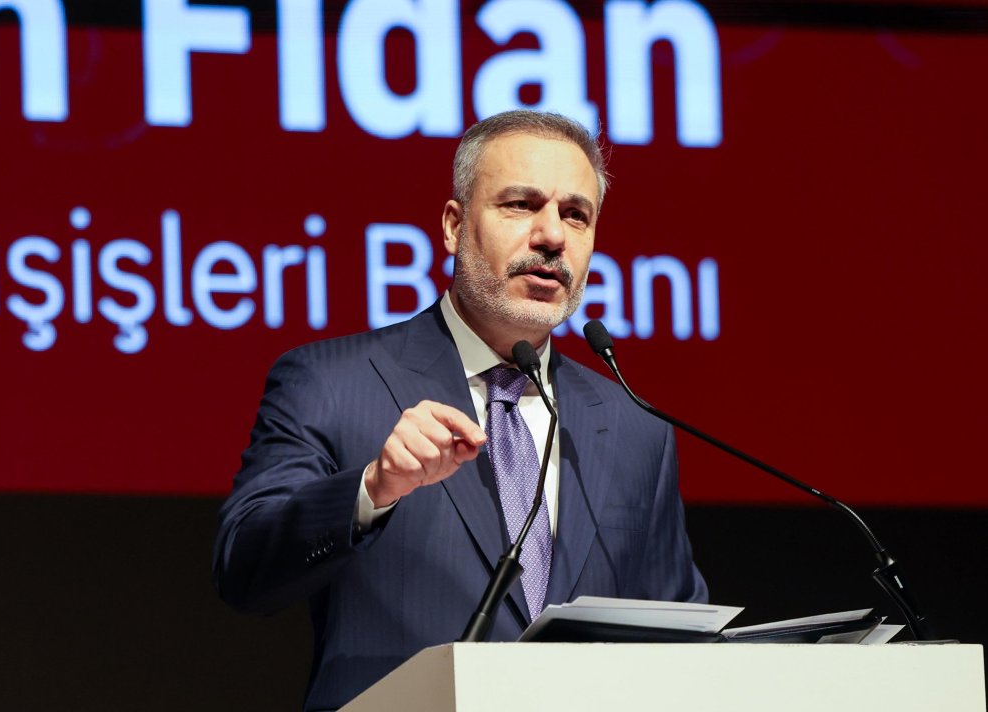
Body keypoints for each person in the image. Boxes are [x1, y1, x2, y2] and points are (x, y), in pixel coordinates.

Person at [213, 110, 707, 711]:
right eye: (521, 205)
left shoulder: (634, 427)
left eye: (576, 214)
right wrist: (374, 489)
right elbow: (245, 568)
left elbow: (680, 635)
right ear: (452, 225)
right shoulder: (332, 381)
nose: (553, 236)